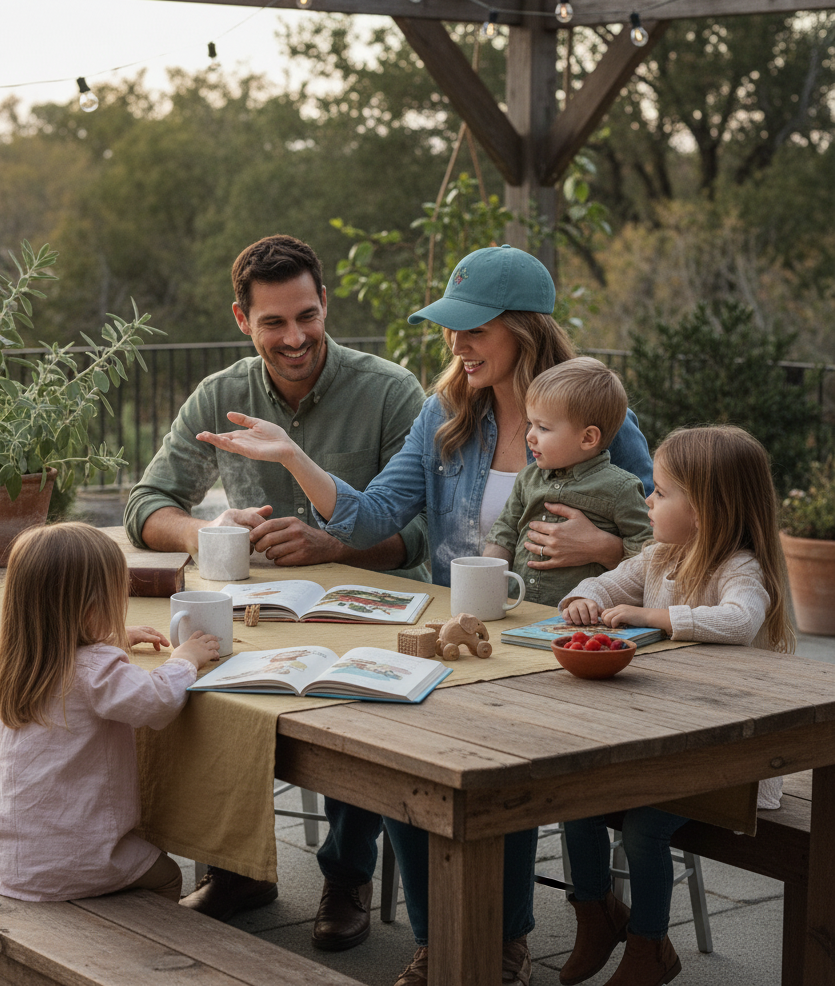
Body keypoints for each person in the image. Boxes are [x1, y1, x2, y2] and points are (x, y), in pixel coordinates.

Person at [196, 244, 655, 986]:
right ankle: (444, 938)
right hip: (467, 640)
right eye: (451, 327)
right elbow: (373, 515)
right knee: (400, 747)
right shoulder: (445, 413)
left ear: (526, 329)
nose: (457, 342)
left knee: (486, 760)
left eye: (475, 328)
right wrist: (293, 459)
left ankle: (495, 943)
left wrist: (602, 542)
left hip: (561, 646)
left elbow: (665, 532)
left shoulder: (594, 414)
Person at [124, 234, 429, 949]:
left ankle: (346, 875)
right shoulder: (221, 394)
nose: (294, 337)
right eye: (273, 322)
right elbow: (148, 503)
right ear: (242, 320)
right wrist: (208, 534)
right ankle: (236, 868)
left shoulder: (391, 391)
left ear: (325, 303)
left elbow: (421, 532)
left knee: (361, 705)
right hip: (262, 610)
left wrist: (339, 542)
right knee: (188, 683)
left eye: (305, 316)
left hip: (377, 609)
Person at [557, 425, 794, 986]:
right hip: (664, 739)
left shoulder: (740, 568)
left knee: (643, 826)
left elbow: (740, 620)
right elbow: (608, 583)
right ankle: (594, 913)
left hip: (733, 760)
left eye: (661, 493)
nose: (648, 501)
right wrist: (583, 600)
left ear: (707, 508)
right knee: (571, 796)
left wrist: (655, 617)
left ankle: (649, 945)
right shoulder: (661, 556)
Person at [0, 522, 220, 903]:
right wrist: (184, 659)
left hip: (15, 859)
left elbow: (68, 647)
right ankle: (150, 953)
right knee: (167, 875)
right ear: (91, 611)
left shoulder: (19, 660)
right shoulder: (95, 671)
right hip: (75, 860)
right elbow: (157, 701)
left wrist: (113, 636)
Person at [484, 357, 653, 606]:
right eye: (530, 423)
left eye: (543, 428)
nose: (529, 436)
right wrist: (485, 576)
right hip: (521, 606)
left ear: (587, 438)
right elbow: (505, 531)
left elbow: (647, 553)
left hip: (584, 618)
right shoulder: (528, 478)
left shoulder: (621, 489)